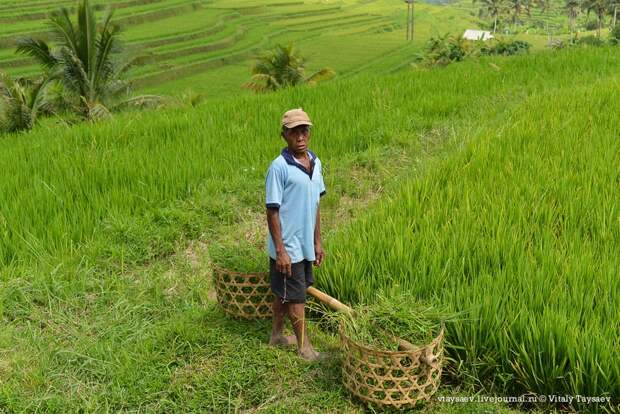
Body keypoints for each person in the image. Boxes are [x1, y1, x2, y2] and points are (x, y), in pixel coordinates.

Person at [265, 108, 326, 361]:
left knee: (285, 292)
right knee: (297, 296)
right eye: (294, 132)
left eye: (304, 130)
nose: (300, 136)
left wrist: (318, 240)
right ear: (284, 136)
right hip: (288, 247)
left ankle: (277, 336)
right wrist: (280, 251)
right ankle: (304, 347)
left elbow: (315, 205)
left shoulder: (316, 161)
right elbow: (272, 211)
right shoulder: (279, 168)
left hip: (305, 244)